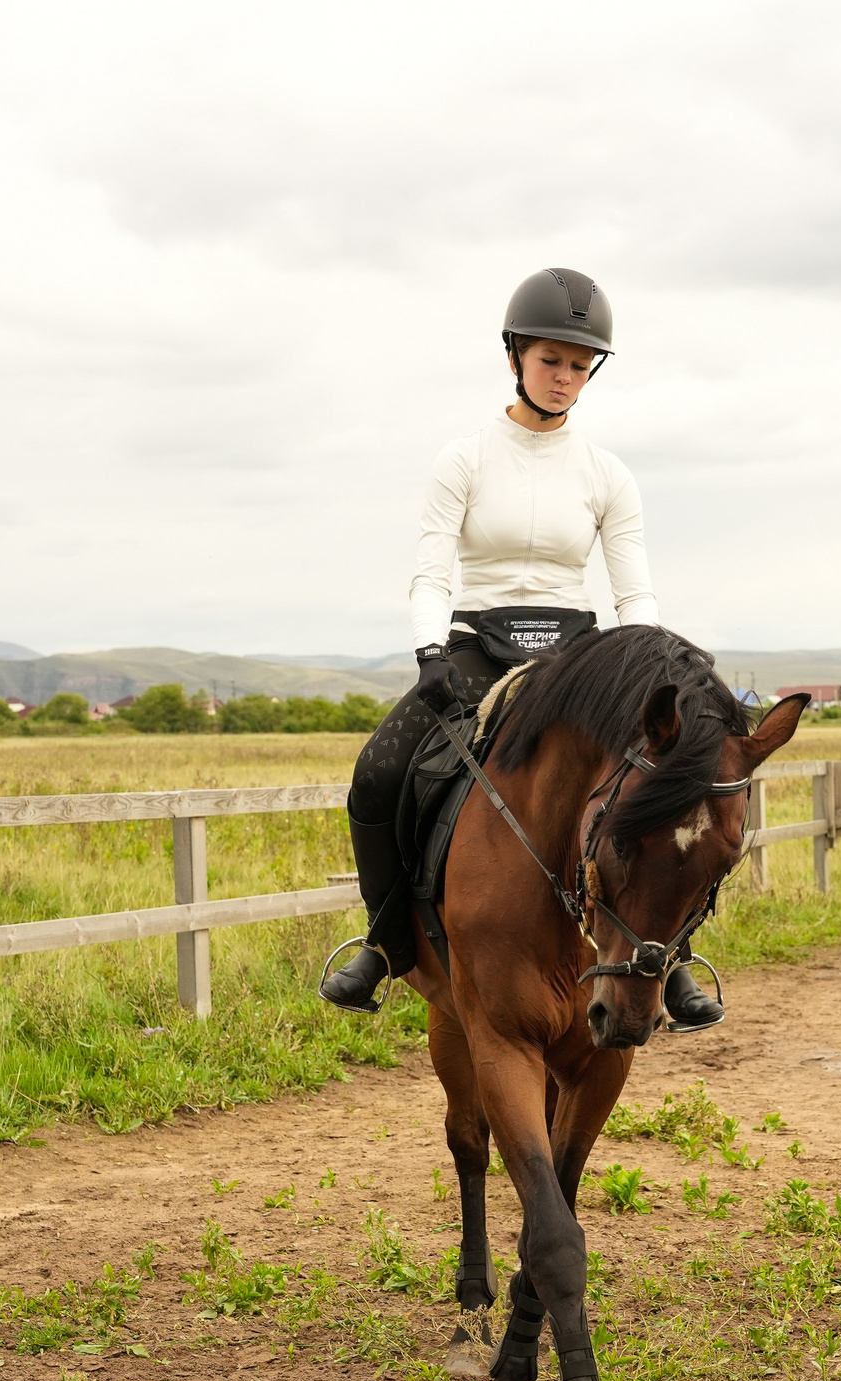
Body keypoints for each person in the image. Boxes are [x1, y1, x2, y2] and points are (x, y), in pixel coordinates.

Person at [319, 266, 724, 1030]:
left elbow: (634, 594)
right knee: (378, 770)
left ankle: (669, 965)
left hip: (578, 656)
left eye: (579, 366)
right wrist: (429, 653)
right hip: (477, 644)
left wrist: (651, 668)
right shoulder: (464, 459)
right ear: (514, 357)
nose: (565, 377)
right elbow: (431, 569)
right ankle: (381, 942)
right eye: (551, 361)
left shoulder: (608, 474)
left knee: (666, 788)